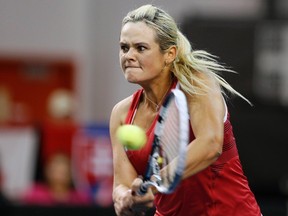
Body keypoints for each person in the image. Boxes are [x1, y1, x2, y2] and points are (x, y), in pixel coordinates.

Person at [109, 4, 262, 216]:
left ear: (169, 54)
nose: (129, 56)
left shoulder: (197, 84)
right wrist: (124, 197)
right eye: (124, 48)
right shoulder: (121, 113)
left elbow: (210, 145)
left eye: (140, 48)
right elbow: (122, 183)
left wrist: (154, 184)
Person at [21, 153, 92, 206]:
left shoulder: (80, 198)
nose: (60, 173)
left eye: (64, 170)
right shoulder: (35, 195)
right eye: (56, 169)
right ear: (47, 171)